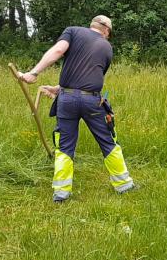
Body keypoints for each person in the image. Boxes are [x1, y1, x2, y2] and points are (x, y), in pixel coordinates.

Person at [19, 15, 134, 203]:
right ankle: (124, 185)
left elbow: (58, 51)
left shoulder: (73, 31)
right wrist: (38, 76)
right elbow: (91, 77)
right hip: (93, 101)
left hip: (67, 100)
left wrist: (36, 73)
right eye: (109, 33)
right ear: (106, 30)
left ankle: (61, 193)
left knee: (64, 145)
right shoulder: (107, 47)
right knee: (108, 140)